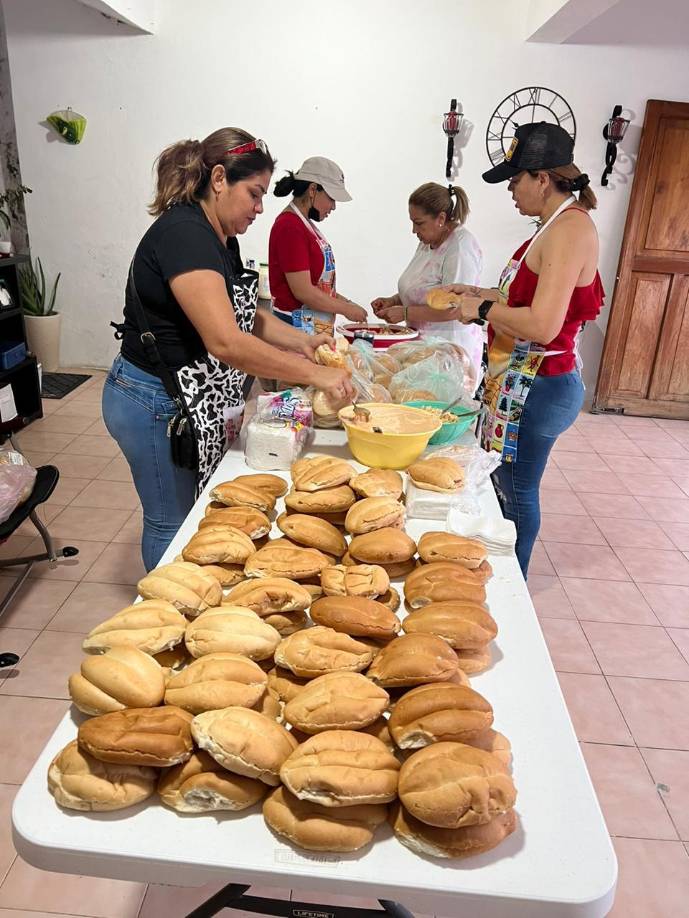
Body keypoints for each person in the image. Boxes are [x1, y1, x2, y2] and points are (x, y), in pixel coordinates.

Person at [103, 129, 354, 571]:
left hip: (184, 397)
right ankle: (169, 602)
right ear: (219, 179)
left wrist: (304, 341)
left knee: (198, 511)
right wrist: (315, 374)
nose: (260, 208)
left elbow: (244, 315)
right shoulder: (184, 235)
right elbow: (226, 340)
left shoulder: (220, 236)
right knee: (170, 521)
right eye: (254, 193)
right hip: (152, 400)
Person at [444, 122, 603, 578]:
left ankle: (513, 587)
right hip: (521, 380)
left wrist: (482, 310)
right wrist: (477, 293)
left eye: (515, 180)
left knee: (515, 492)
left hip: (541, 385)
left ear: (542, 178)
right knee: (503, 485)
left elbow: (543, 324)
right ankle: (499, 579)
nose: (511, 190)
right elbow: (525, 299)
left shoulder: (569, 230)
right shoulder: (552, 225)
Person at [371, 182, 484, 385]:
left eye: (419, 223)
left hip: (450, 354)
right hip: (423, 349)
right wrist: (393, 301)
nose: (414, 230)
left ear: (440, 218)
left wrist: (405, 313)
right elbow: (421, 288)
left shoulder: (460, 248)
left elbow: (456, 308)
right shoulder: (427, 242)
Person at [269, 157, 367, 335]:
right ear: (313, 190)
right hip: (294, 331)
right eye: (331, 198)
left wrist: (348, 303)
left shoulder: (305, 225)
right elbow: (304, 291)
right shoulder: (289, 227)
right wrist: (345, 309)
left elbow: (319, 287)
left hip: (312, 330)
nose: (334, 207)